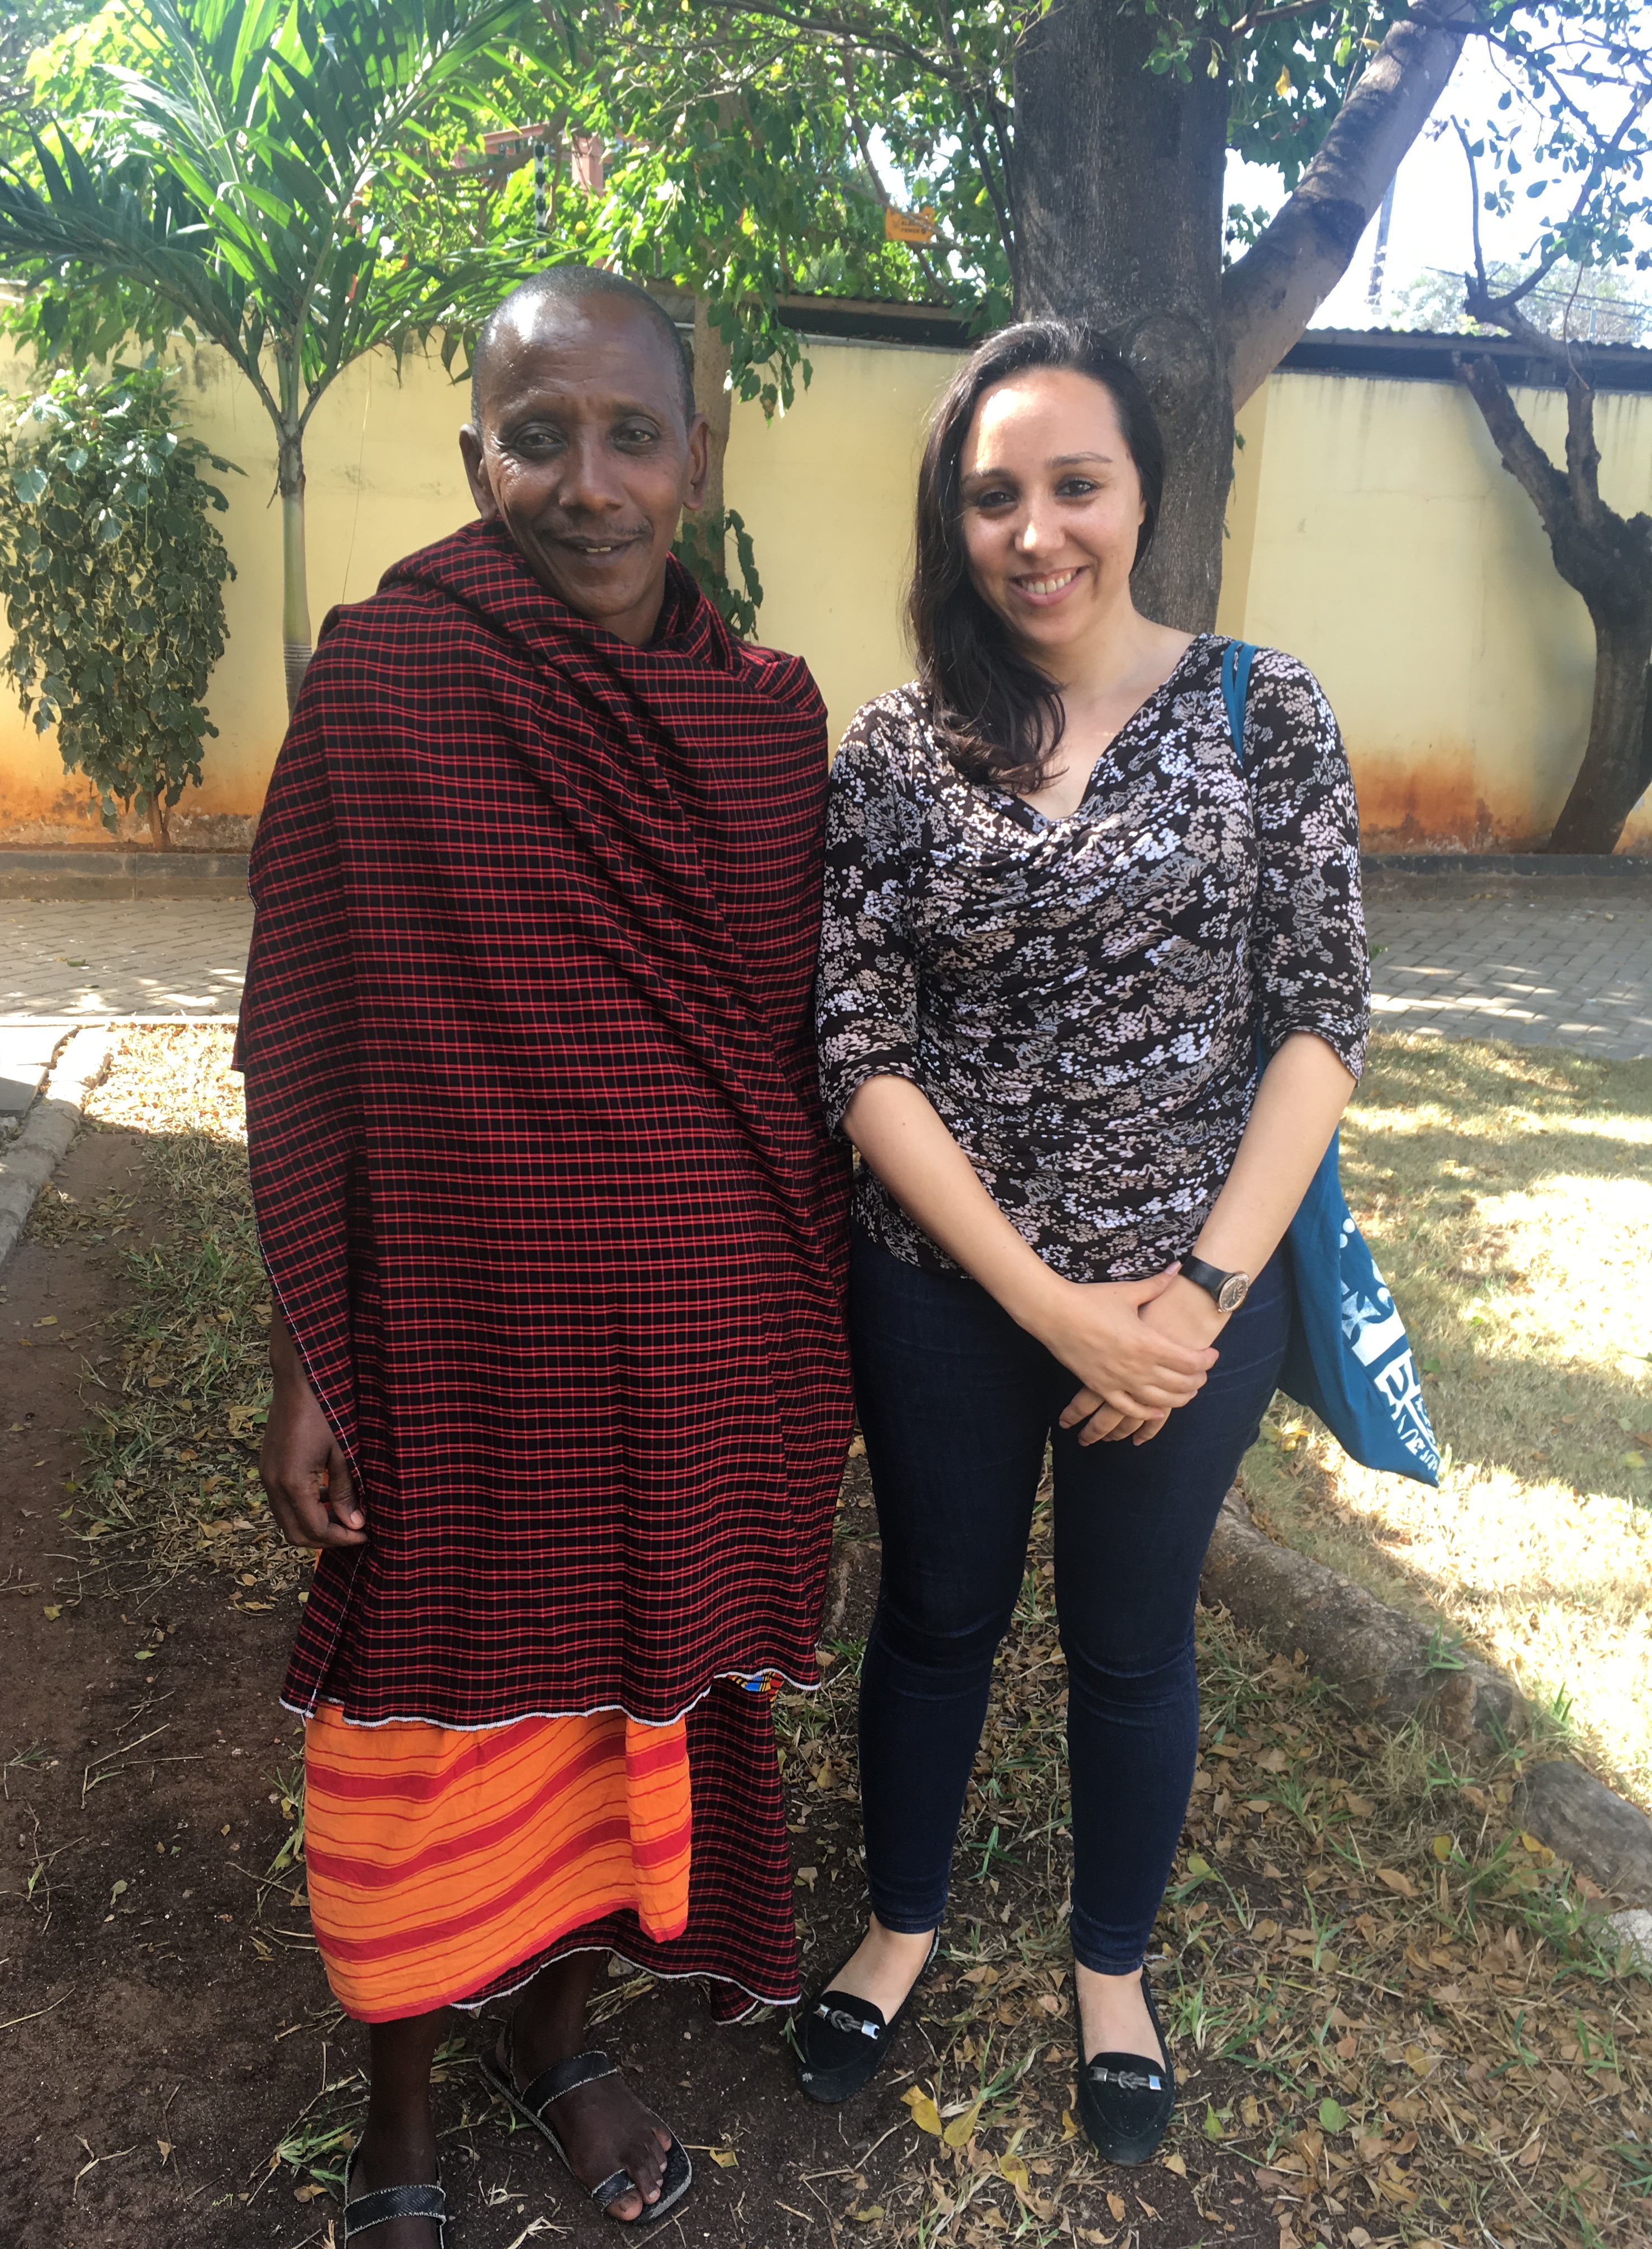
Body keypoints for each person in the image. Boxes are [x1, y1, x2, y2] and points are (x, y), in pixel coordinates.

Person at [240, 268, 852, 2243]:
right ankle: (401, 2107)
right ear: (474, 456)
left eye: (630, 435)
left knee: (621, 1713)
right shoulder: (385, 684)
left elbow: (792, 1050)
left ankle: (561, 2039)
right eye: (538, 436)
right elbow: (307, 1028)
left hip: (693, 1334)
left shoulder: (762, 723)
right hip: (454, 1332)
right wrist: (305, 1357)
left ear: (701, 457)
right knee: (421, 1724)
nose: (588, 484)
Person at [803, 321, 1369, 2165]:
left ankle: (1111, 1971)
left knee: (1132, 1644)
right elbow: (859, 1046)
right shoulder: (895, 748)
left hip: (1189, 1302)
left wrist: (1192, 1302)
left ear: (1143, 495)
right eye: (994, 496)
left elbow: (1318, 1018)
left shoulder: (1261, 710)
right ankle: (900, 1926)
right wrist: (1053, 1310)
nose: (1035, 532)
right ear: (951, 518)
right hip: (946, 1291)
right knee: (938, 1615)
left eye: (1076, 485)